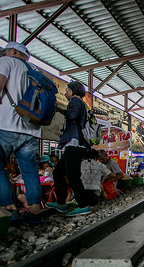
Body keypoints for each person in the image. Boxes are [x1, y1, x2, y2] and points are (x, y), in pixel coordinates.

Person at [0, 42, 43, 224]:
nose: (5, 53)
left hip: (5, 124)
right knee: (30, 171)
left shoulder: (6, 61)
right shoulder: (36, 70)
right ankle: (35, 211)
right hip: (32, 129)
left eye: (6, 50)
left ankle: (9, 209)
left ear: (12, 51)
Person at [49, 81, 91, 216]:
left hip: (74, 144)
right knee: (58, 172)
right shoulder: (81, 103)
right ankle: (61, 204)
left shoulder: (75, 100)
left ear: (73, 91)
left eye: (67, 90)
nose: (65, 93)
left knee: (72, 175)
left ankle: (84, 205)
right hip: (75, 145)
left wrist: (61, 110)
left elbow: (72, 116)